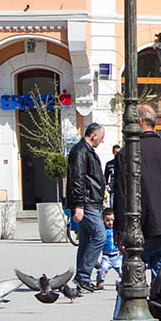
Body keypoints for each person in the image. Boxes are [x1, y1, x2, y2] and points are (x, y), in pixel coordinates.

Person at [116, 104, 161, 274]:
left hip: (139, 229)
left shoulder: (127, 154)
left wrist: (119, 235)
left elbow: (121, 196)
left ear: (139, 122)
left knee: (129, 285)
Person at [68, 122, 106, 294]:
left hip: (91, 201)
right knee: (100, 236)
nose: (102, 141)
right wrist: (79, 205)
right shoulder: (81, 151)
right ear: (94, 135)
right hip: (87, 202)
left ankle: (81, 277)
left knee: (85, 240)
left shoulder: (86, 150)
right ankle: (83, 275)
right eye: (102, 137)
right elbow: (78, 179)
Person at [95, 209, 122, 289]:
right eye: (107, 220)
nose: (110, 223)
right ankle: (100, 282)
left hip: (117, 255)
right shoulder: (103, 230)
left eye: (112, 220)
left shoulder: (117, 230)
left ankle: (124, 282)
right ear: (103, 220)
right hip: (106, 256)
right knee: (102, 269)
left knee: (122, 270)